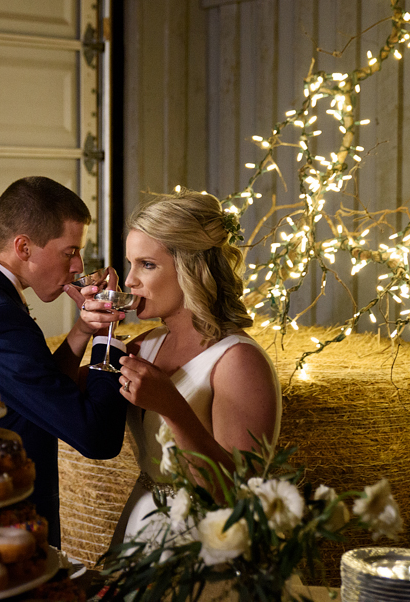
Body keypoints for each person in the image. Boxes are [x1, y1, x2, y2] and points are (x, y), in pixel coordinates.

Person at [0, 176, 127, 548]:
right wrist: (108, 331)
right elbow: (96, 436)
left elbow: (37, 390)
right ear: (23, 246)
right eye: (69, 251)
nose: (78, 267)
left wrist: (83, 328)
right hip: (2, 534)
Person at [85, 189, 281, 544]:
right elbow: (77, 408)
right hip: (141, 521)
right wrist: (93, 329)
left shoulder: (238, 361)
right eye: (130, 264)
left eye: (147, 265)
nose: (129, 281)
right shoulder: (145, 345)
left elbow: (233, 493)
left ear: (191, 269)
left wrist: (172, 406)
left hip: (207, 539)